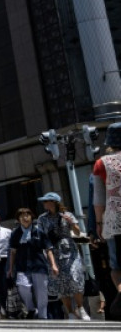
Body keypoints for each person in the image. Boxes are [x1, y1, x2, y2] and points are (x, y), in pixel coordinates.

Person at [37, 191, 89, 320]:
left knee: (74, 276)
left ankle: (80, 307)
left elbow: (77, 233)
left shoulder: (67, 215)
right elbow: (41, 236)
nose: (44, 203)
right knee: (61, 283)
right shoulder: (42, 218)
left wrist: (71, 222)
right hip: (53, 252)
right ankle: (70, 312)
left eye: (46, 201)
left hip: (69, 250)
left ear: (53, 202)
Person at [93, 122, 121, 318]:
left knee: (116, 265)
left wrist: (99, 224)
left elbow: (98, 199)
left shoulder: (101, 163)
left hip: (114, 219)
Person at [8, 208, 55, 319]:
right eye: (22, 216)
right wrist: (10, 268)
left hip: (39, 266)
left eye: (27, 215)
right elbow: (13, 252)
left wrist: (53, 264)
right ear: (18, 219)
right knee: (23, 286)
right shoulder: (15, 234)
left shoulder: (39, 232)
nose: (25, 218)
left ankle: (43, 317)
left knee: (42, 293)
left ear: (31, 217)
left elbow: (48, 249)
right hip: (22, 267)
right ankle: (31, 308)